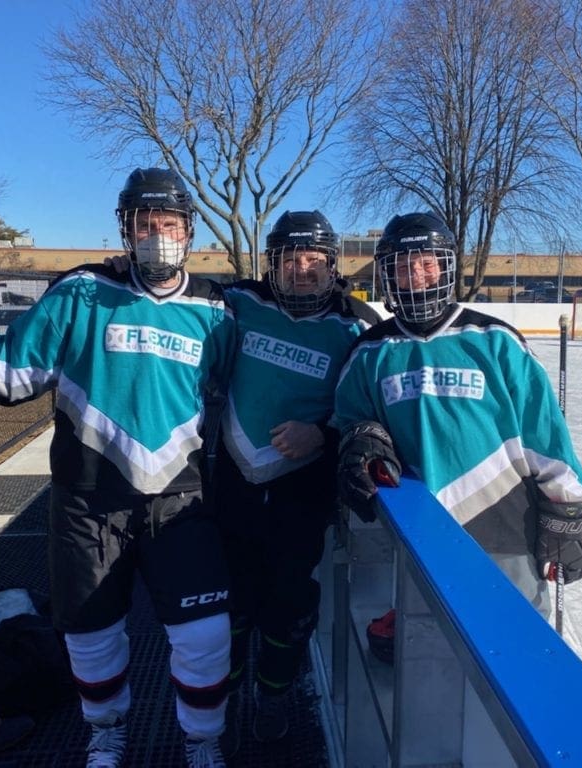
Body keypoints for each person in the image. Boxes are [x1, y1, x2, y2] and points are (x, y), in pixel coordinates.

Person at [0, 168, 235, 768]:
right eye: (145, 223)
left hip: (179, 503)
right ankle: (105, 734)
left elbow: (261, 389)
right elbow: (12, 366)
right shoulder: (81, 293)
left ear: (189, 231)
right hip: (87, 499)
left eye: (169, 224)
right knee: (89, 637)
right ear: (126, 228)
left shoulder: (217, 310)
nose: (157, 234)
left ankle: (203, 743)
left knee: (204, 636)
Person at [332, 211, 582, 621]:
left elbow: (543, 432)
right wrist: (363, 438)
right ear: (387, 275)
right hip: (419, 527)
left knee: (516, 641)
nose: (416, 275)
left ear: (446, 266)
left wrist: (569, 509)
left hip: (505, 521)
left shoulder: (496, 342)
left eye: (426, 263)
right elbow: (350, 418)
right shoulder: (370, 352)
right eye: (403, 267)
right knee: (429, 648)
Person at [213, 211, 380, 753]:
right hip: (231, 485)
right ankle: (226, 696)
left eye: (314, 259)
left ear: (333, 265)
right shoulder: (239, 303)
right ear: (273, 263)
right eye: (290, 259)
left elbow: (370, 415)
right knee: (229, 606)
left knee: (287, 608)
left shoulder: (357, 327)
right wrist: (120, 269)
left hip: (301, 493)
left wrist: (323, 438)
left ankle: (273, 695)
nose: (302, 269)